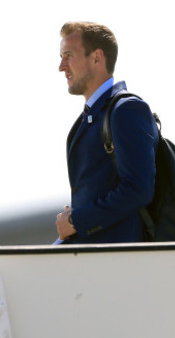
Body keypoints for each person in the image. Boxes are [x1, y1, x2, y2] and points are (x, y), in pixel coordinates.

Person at [55, 21, 159, 244]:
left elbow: (137, 190)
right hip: (97, 262)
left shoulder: (126, 110)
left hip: (117, 264)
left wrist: (76, 220)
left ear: (96, 57)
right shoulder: (92, 118)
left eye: (68, 55)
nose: (61, 66)